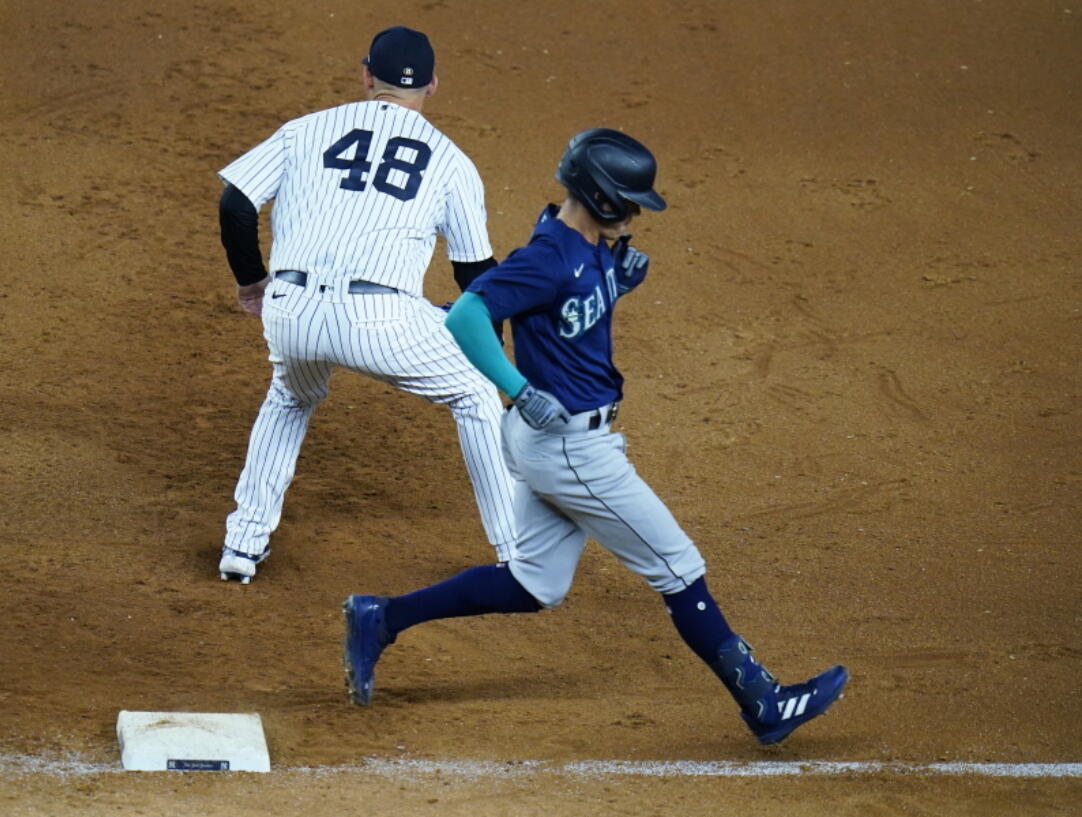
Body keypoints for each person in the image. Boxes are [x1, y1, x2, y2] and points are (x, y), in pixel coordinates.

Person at [342, 129, 848, 745]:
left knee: (534, 583)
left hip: (556, 444)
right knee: (677, 567)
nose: (636, 214)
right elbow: (467, 315)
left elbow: (568, 318)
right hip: (572, 451)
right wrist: (518, 386)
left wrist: (616, 286)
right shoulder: (549, 257)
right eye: (629, 202)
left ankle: (381, 617)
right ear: (603, 198)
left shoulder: (590, 248)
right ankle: (764, 703)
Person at [214, 26, 520, 584]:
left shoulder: (304, 130)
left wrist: (251, 282)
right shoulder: (452, 162)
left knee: (290, 394)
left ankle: (242, 544)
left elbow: (236, 202)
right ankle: (518, 551)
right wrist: (487, 350)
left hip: (291, 312)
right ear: (432, 85)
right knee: (475, 392)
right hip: (382, 322)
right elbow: (475, 272)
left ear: (364, 75)